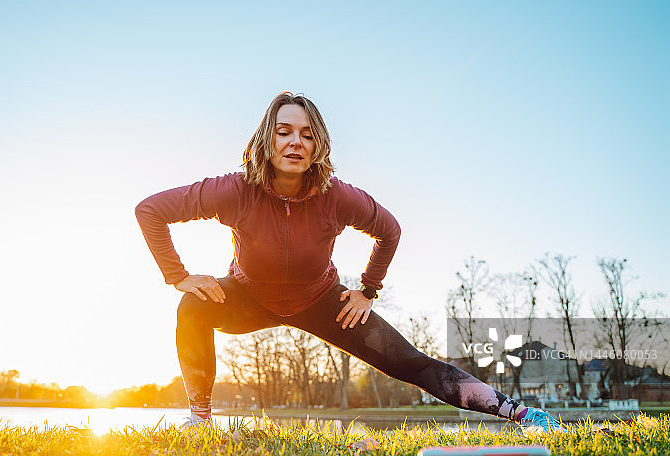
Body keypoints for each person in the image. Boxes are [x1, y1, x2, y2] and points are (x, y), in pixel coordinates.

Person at [135, 92, 566, 434]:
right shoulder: (233, 190)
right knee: (193, 307)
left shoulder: (336, 196)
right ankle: (201, 418)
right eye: (284, 132)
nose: (294, 142)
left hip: (323, 302)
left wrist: (367, 290)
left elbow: (389, 231)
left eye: (306, 134)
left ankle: (525, 415)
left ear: (318, 144)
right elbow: (150, 210)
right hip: (249, 297)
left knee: (411, 362)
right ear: (266, 140)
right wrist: (179, 276)